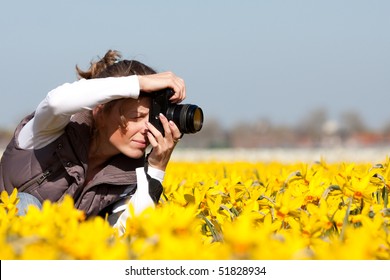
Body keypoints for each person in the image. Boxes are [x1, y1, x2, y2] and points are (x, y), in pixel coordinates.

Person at [0, 50, 186, 235]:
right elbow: (56, 103)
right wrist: (138, 83)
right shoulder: (49, 131)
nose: (147, 129)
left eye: (151, 119)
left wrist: (156, 167)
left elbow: (127, 233)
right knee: (25, 203)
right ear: (99, 111)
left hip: (58, 254)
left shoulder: (128, 175)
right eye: (136, 117)